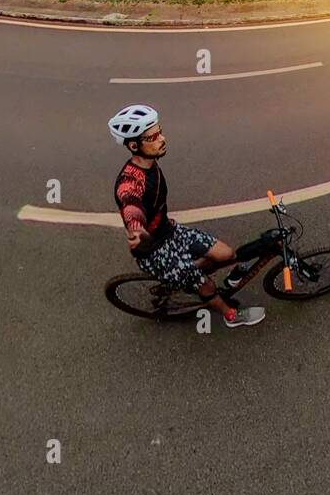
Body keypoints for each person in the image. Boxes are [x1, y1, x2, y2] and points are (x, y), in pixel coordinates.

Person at [108, 105, 265, 328]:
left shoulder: (150, 163)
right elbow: (130, 202)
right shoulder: (131, 180)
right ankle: (231, 315)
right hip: (154, 252)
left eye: (160, 131)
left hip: (170, 231)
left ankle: (181, 279)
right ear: (134, 145)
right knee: (207, 286)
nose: (162, 139)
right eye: (153, 137)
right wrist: (136, 227)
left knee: (225, 254)